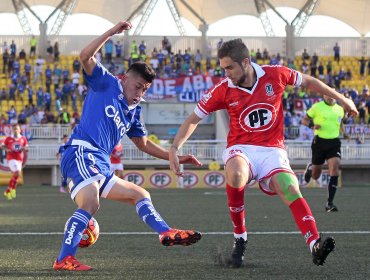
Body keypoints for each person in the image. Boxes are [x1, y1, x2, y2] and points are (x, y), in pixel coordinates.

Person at [168, 39, 358, 268]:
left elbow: (309, 81)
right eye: (223, 68)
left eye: (229, 67)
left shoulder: (276, 74)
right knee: (236, 173)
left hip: (272, 150)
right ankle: (240, 238)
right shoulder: (223, 89)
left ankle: (315, 244)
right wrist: (174, 149)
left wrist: (342, 99)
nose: (225, 73)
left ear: (246, 62)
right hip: (241, 148)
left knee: (290, 186)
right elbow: (193, 120)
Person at [53, 20, 202, 271]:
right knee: (91, 203)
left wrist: (172, 156)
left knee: (141, 194)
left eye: (144, 90)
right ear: (125, 79)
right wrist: (112, 32)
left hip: (101, 163)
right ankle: (63, 259)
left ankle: (165, 232)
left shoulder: (134, 111)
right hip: (81, 152)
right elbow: (84, 55)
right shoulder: (106, 82)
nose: (139, 93)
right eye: (137, 86)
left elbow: (143, 143)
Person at [301, 93, 348, 212]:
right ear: (323, 95)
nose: (330, 97)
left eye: (332, 95)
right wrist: (312, 125)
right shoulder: (317, 107)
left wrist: (344, 133)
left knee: (334, 170)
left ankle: (330, 203)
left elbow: (340, 122)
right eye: (327, 95)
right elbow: (304, 120)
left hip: (334, 143)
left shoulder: (340, 109)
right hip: (319, 142)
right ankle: (311, 167)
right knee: (316, 175)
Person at [1, 124, 29, 200]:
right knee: (16, 173)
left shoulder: (23, 138)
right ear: (12, 130)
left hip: (19, 159)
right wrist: (7, 149)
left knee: (16, 175)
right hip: (11, 159)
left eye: (17, 129)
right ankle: (12, 189)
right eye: (14, 129)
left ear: (20, 130)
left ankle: (8, 191)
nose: (15, 130)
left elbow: (27, 147)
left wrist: (25, 148)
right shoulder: (9, 138)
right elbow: (2, 146)